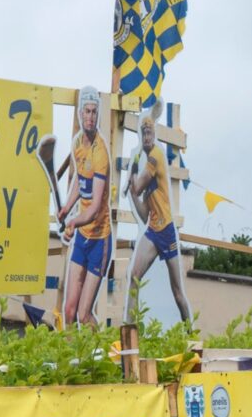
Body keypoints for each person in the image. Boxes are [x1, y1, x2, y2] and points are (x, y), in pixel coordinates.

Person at [125, 112, 193, 326]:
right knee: (134, 276)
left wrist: (132, 177)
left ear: (154, 136)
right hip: (154, 230)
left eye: (149, 133)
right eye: (144, 133)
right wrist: (132, 193)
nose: (147, 137)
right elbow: (144, 214)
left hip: (167, 231)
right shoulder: (146, 166)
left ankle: (190, 334)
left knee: (178, 292)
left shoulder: (155, 157)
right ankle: (130, 329)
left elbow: (138, 185)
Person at [56, 87, 112, 325]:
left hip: (99, 238)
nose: (90, 116)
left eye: (94, 112)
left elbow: (95, 207)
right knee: (69, 311)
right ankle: (70, 350)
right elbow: (81, 181)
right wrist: (67, 207)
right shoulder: (78, 142)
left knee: (84, 314)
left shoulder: (101, 153)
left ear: (98, 114)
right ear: (80, 113)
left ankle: (98, 348)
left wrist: (73, 221)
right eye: (86, 111)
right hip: (82, 238)